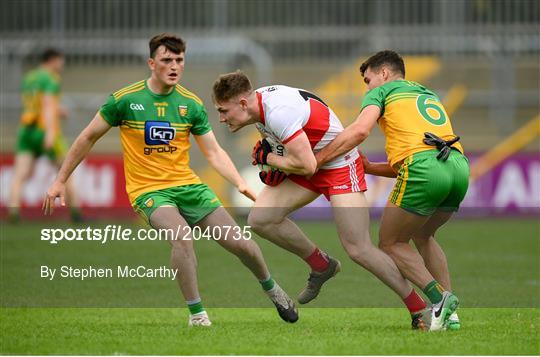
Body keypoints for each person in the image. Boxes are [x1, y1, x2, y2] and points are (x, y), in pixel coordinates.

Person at [42, 33, 298, 327]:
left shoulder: (190, 104)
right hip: (148, 191)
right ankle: (198, 316)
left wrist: (239, 182)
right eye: (167, 60)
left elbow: (213, 152)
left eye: (179, 60)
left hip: (188, 186)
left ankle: (274, 290)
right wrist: (60, 179)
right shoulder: (124, 100)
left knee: (241, 244)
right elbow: (87, 137)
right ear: (152, 63)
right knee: (181, 236)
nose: (174, 65)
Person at [212, 70, 431, 330]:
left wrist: (268, 160)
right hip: (311, 161)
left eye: (224, 111)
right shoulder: (257, 108)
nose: (222, 118)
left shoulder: (278, 111)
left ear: (243, 103)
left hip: (338, 163)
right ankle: (321, 264)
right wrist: (274, 165)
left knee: (358, 248)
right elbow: (297, 156)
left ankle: (420, 309)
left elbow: (305, 166)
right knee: (261, 219)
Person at [315, 50, 469, 331]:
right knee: (424, 235)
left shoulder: (383, 91)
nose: (368, 86)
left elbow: (361, 131)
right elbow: (423, 153)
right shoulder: (426, 93)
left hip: (424, 169)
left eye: (368, 79)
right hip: (457, 166)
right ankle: (451, 316)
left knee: (391, 243)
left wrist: (319, 158)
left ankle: (439, 299)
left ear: (384, 74)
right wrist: (370, 167)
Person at [9, 48, 81, 222]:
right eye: (61, 61)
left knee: (20, 174)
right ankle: (76, 215)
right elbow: (47, 105)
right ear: (53, 60)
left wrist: (58, 109)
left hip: (26, 129)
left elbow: (36, 104)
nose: (62, 65)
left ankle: (14, 214)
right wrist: (49, 133)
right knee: (66, 171)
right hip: (44, 130)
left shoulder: (29, 77)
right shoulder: (50, 78)